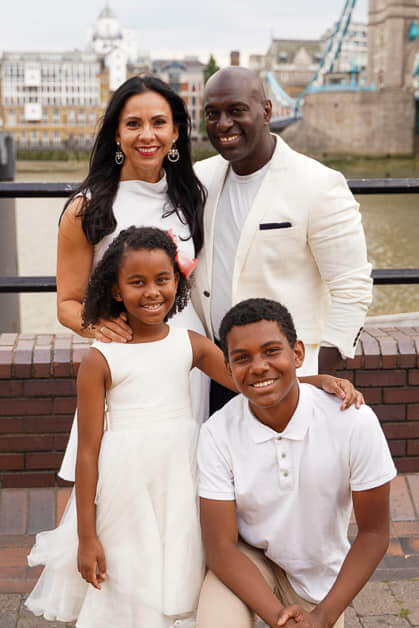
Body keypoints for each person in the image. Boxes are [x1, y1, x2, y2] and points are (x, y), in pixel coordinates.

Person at [25, 229, 359, 627]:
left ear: (177, 282)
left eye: (162, 279)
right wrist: (86, 535)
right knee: (128, 574)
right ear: (116, 290)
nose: (152, 292)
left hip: (182, 475)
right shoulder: (101, 360)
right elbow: (87, 451)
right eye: (137, 282)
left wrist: (315, 381)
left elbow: (250, 382)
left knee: (179, 568)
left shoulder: (190, 343)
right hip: (125, 484)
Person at [197, 298, 396, 628]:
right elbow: (221, 547)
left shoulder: (353, 421)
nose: (258, 366)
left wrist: (322, 618)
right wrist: (279, 619)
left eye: (271, 351)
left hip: (321, 580)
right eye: (242, 358)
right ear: (228, 369)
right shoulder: (217, 433)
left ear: (298, 354)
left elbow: (374, 533)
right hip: (251, 560)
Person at [191, 66, 373, 412]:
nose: (223, 124)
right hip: (216, 374)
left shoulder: (319, 184)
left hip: (288, 380)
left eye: (237, 110)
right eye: (212, 114)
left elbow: (352, 290)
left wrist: (310, 380)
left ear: (267, 111)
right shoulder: (201, 177)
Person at [57, 75, 209, 482]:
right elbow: (66, 304)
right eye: (133, 124)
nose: (147, 135)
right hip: (126, 360)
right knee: (119, 477)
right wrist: (99, 327)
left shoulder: (190, 197)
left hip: (185, 360)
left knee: (182, 476)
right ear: (117, 134)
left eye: (159, 123)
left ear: (175, 132)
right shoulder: (86, 209)